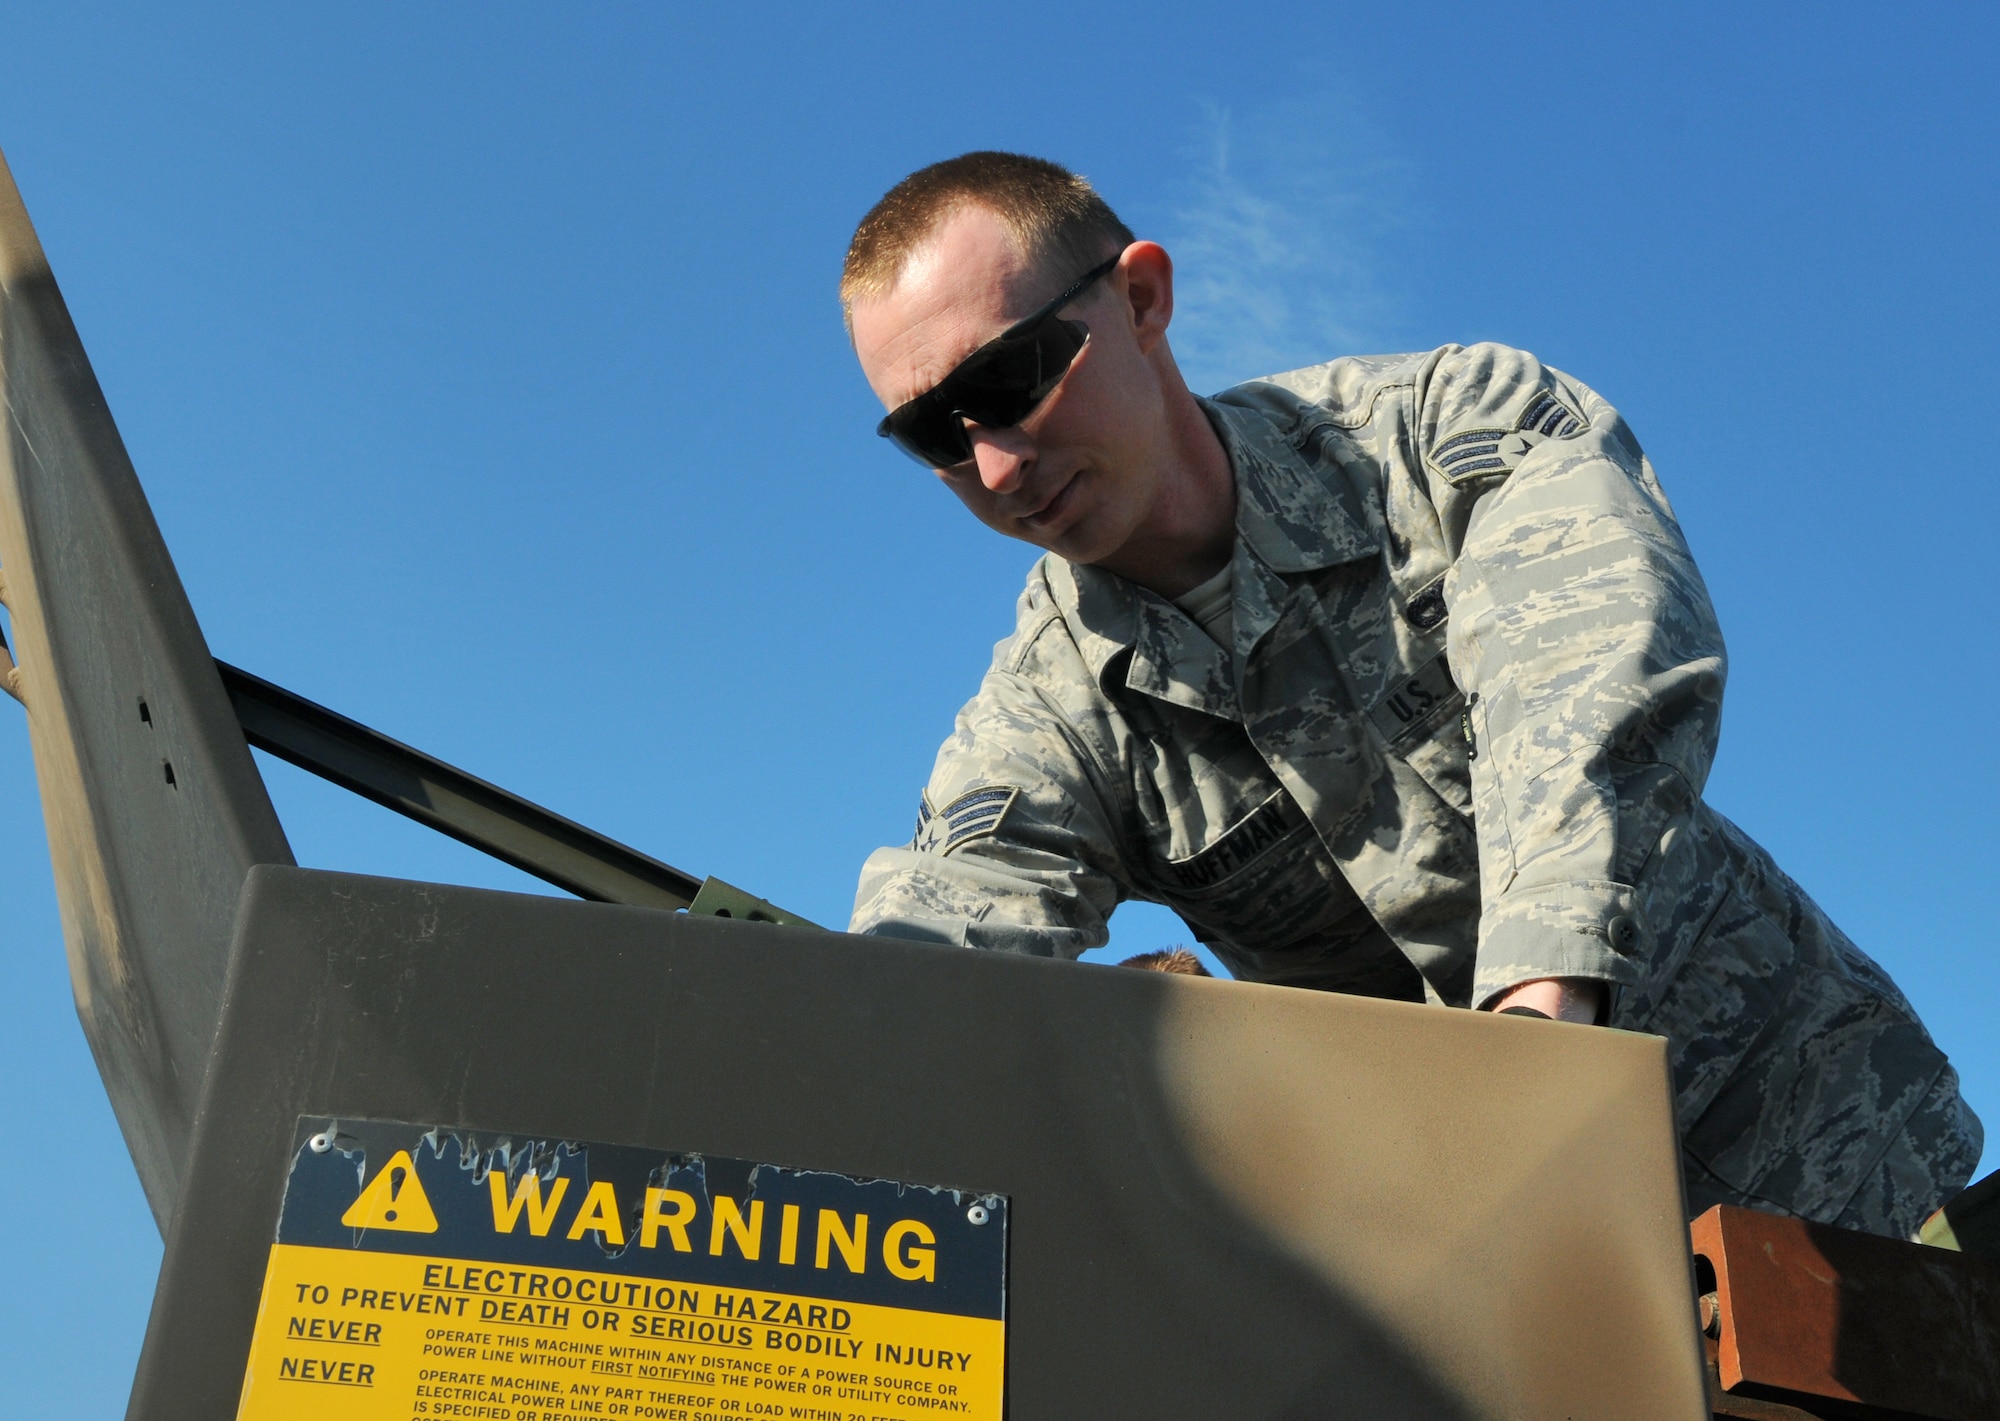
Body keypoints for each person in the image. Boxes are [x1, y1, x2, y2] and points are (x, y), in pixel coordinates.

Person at [839, 150, 1981, 1237]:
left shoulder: (1444, 435)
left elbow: (1584, 675)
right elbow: (940, 942)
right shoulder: (1050, 715)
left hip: (1816, 1153)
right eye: (933, 433)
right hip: (1492, 1259)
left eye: (1008, 381)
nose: (993, 466)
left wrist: (1534, 1022)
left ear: (1141, 300)